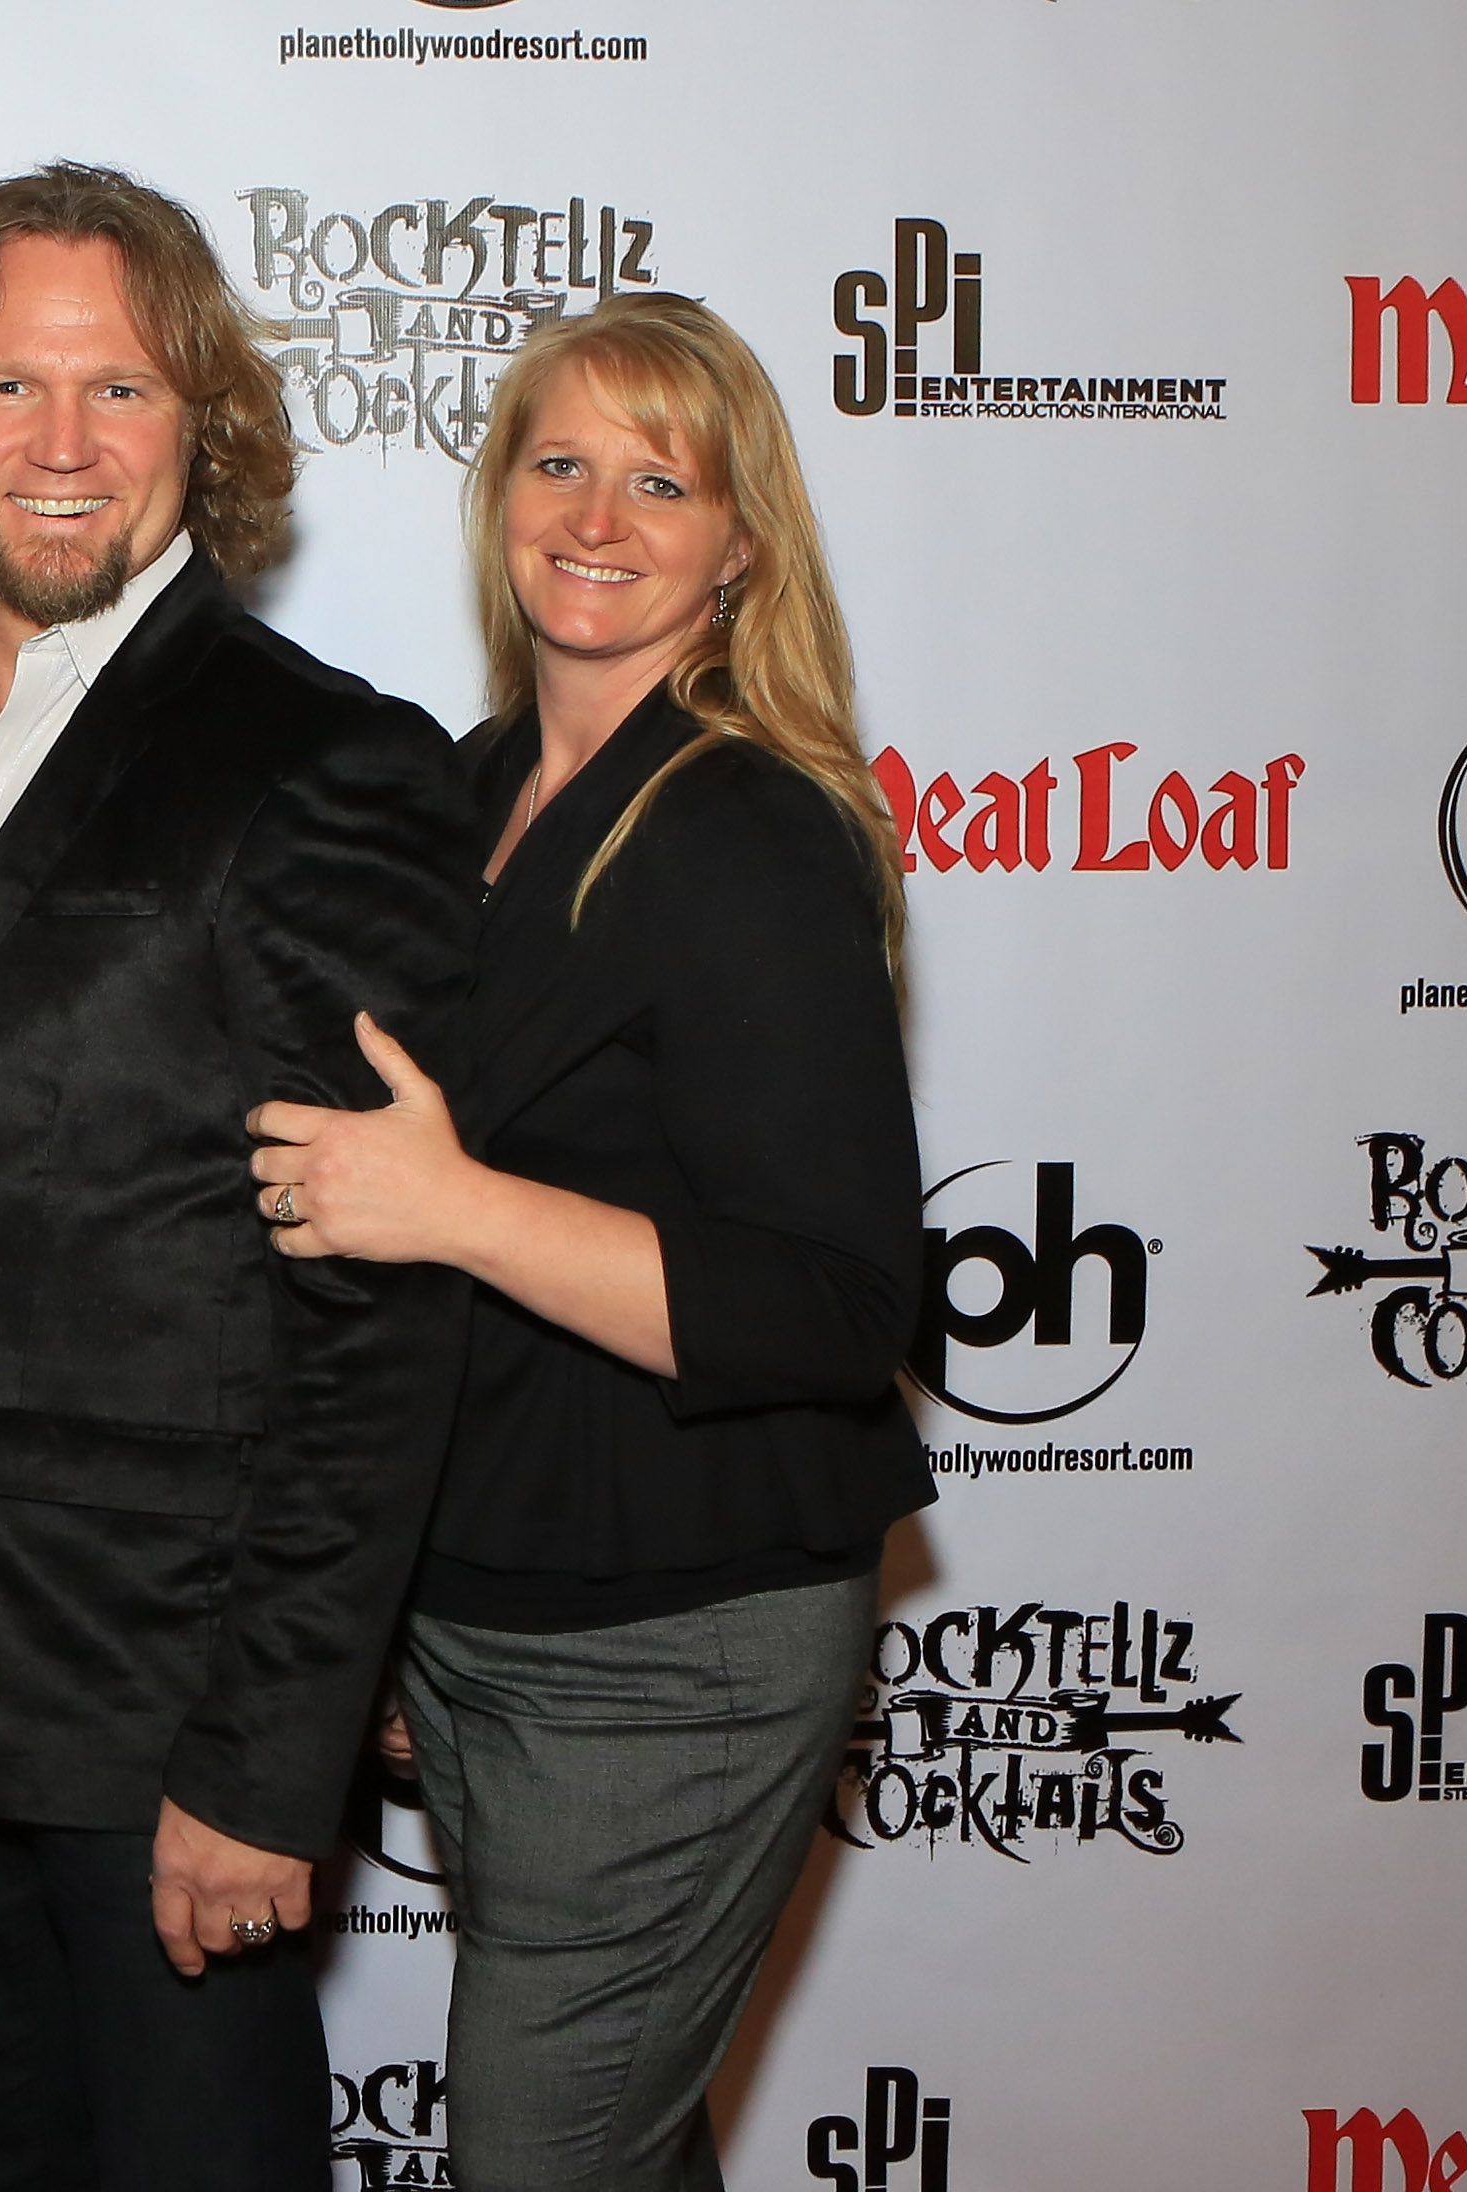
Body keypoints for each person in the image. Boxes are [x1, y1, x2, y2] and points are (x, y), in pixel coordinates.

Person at [0, 162, 478, 2192]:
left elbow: (386, 1307)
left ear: (207, 426)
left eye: (121, 390)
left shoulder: (326, 760)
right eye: (10, 386)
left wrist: (269, 1764)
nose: (65, 443)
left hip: (157, 1734)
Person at [247, 293, 933, 2190]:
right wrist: (381, 1599)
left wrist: (458, 1208)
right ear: (496, 498)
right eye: (561, 463)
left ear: (741, 543)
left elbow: (838, 1301)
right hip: (484, 1614)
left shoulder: (751, 833)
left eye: (662, 480)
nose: (600, 517)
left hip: (677, 1647)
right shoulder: (457, 800)